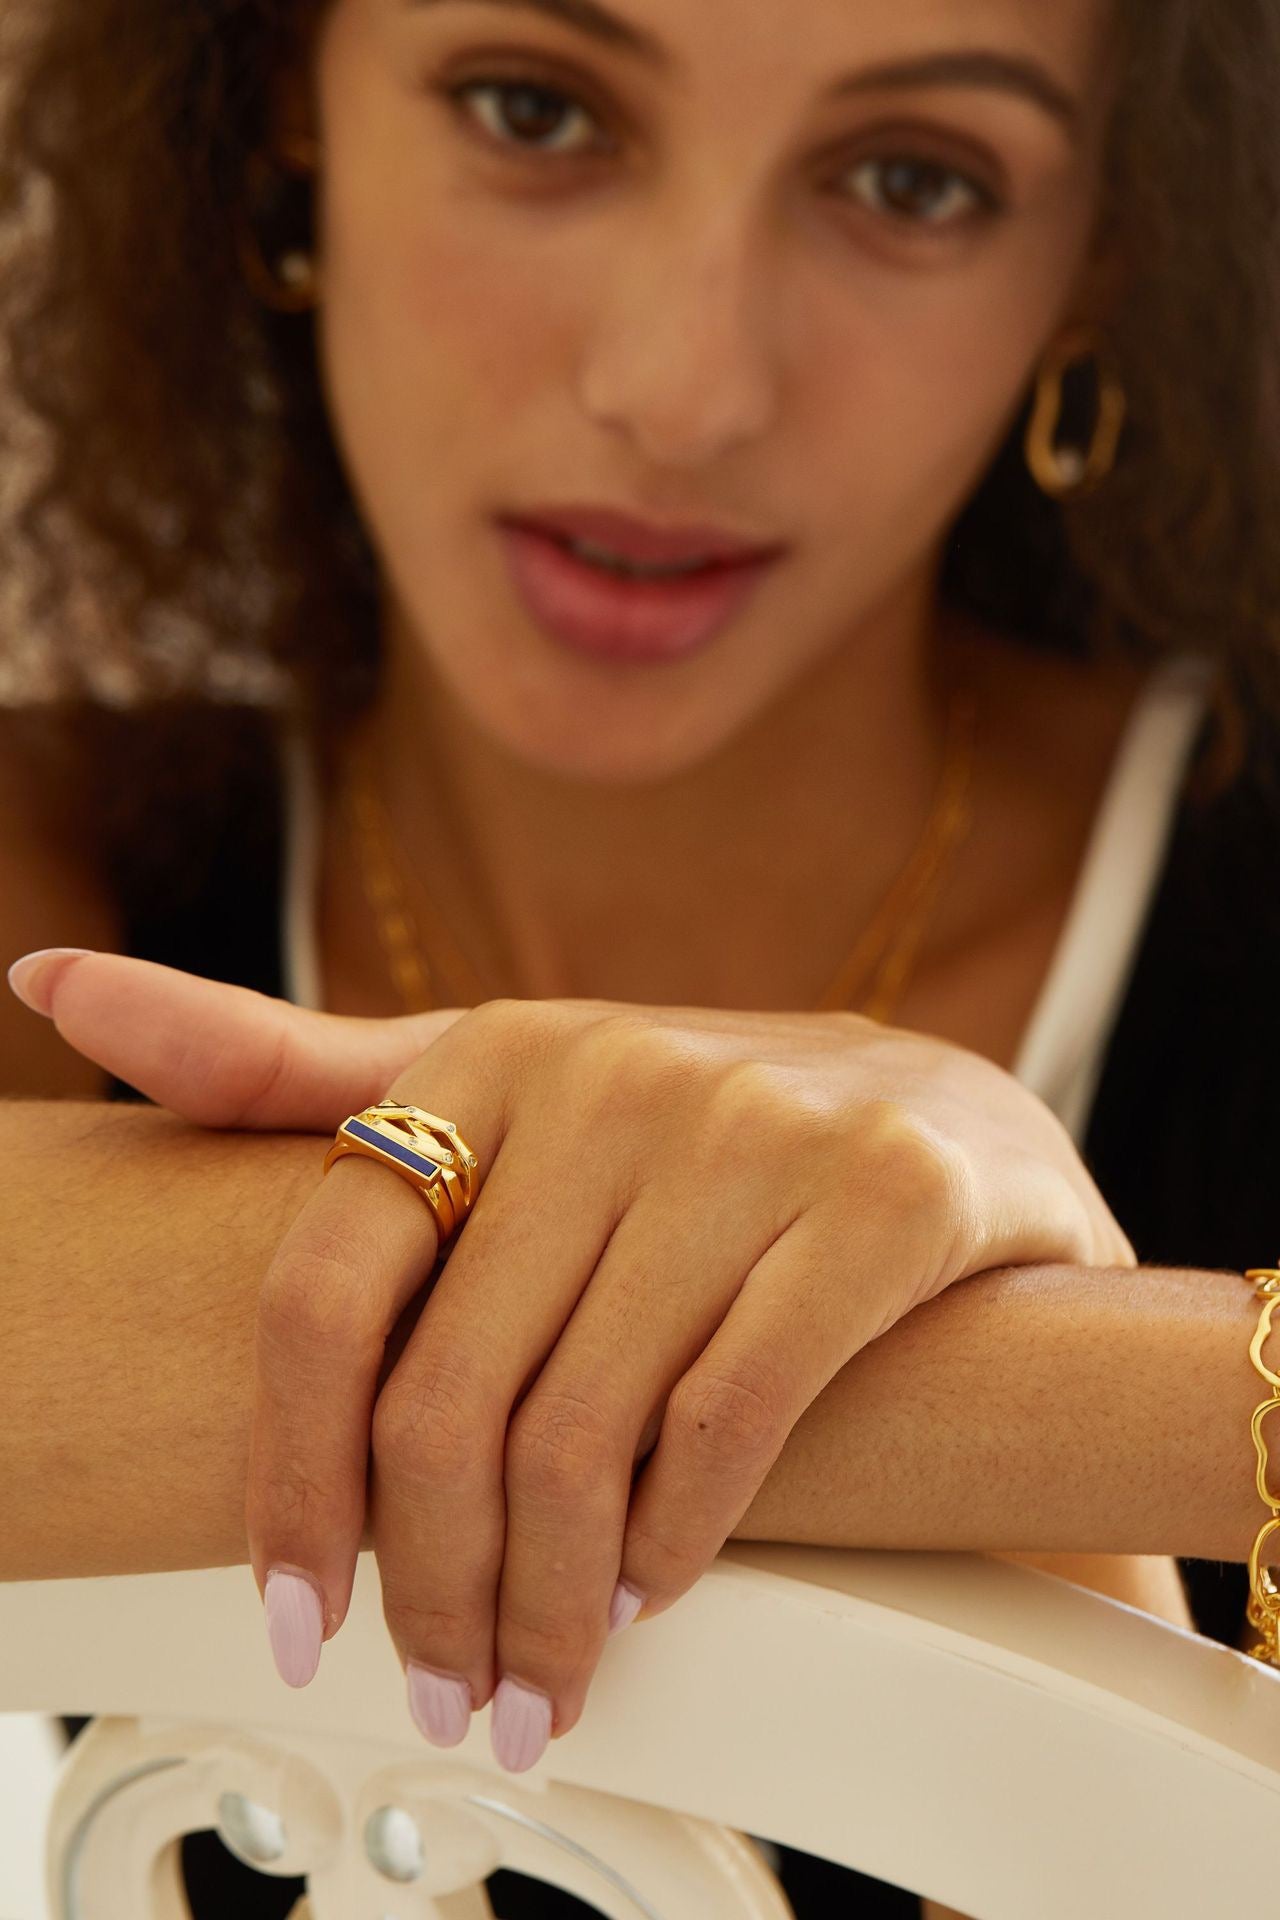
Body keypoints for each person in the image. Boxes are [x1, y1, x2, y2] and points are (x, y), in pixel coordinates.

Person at [2, 0, 1279, 1913]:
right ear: (282, 99)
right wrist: (1137, 1396)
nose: (682, 390)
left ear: (1107, 248)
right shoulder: (56, 868)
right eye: (535, 110)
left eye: (914, 180)